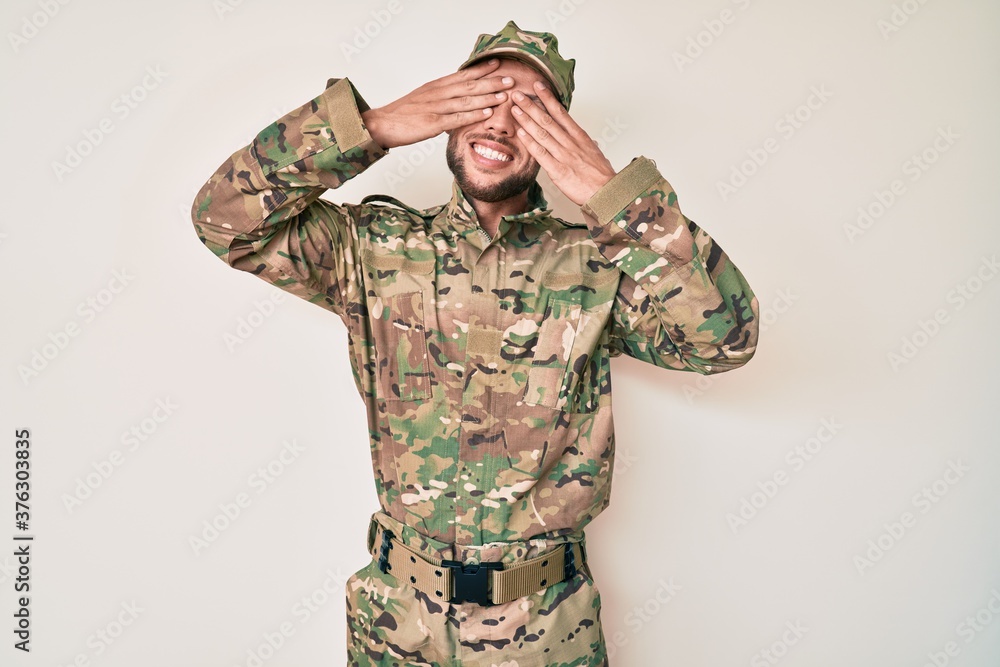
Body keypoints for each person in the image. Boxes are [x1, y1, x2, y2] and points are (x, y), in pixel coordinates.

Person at [191, 19, 759, 667]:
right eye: (481, 98)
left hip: (545, 630)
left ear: (558, 138)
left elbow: (724, 341)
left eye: (529, 110)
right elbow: (224, 221)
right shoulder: (370, 247)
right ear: (446, 112)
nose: (498, 123)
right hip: (396, 626)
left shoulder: (598, 265)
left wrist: (620, 199)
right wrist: (365, 127)